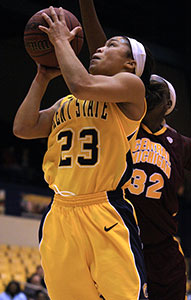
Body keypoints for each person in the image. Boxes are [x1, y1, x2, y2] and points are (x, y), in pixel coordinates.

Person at [13, 5, 155, 299]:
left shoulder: (132, 88)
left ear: (131, 64)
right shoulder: (67, 103)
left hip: (104, 210)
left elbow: (81, 84)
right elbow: (23, 128)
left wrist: (61, 41)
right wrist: (41, 76)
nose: (99, 49)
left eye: (112, 46)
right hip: (59, 214)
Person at [78, 1, 190, 299]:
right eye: (147, 83)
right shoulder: (125, 117)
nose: (151, 88)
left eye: (160, 88)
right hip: (119, 237)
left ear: (169, 105)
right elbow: (102, 54)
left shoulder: (180, 144)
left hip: (163, 249)